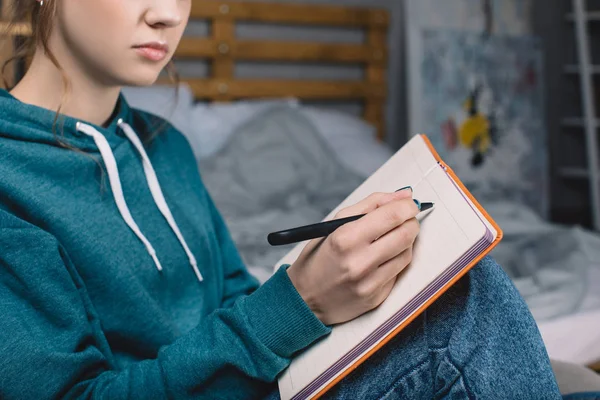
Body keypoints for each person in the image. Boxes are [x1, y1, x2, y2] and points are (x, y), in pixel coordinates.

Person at [0, 0, 573, 399]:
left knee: (491, 313)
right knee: (473, 306)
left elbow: (234, 296)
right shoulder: (11, 180)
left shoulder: (166, 147)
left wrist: (328, 287)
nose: (169, 13)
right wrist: (302, 304)